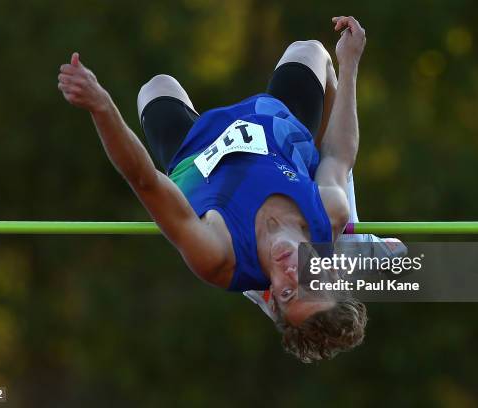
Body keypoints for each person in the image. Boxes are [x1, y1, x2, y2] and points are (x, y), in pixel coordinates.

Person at [58, 15, 368, 362]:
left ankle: (316, 261)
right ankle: (354, 239)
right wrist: (350, 62)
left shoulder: (218, 255)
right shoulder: (326, 212)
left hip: (194, 151)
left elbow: (145, 180)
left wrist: (102, 107)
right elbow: (340, 153)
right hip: (274, 125)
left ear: (272, 299)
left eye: (286, 292)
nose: (291, 273)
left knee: (156, 87)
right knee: (310, 50)